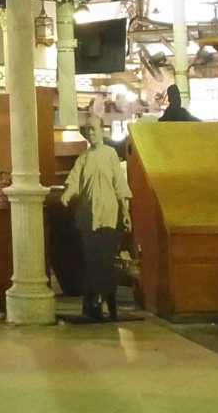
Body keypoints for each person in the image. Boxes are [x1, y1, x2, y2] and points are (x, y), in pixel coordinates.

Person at [62, 121, 131, 322]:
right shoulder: (83, 158)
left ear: (102, 131)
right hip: (89, 217)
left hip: (108, 215)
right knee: (92, 260)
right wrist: (67, 193)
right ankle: (94, 301)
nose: (91, 133)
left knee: (107, 259)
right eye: (88, 130)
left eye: (94, 129)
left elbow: (119, 184)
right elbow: (74, 180)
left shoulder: (110, 154)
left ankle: (105, 298)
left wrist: (125, 212)